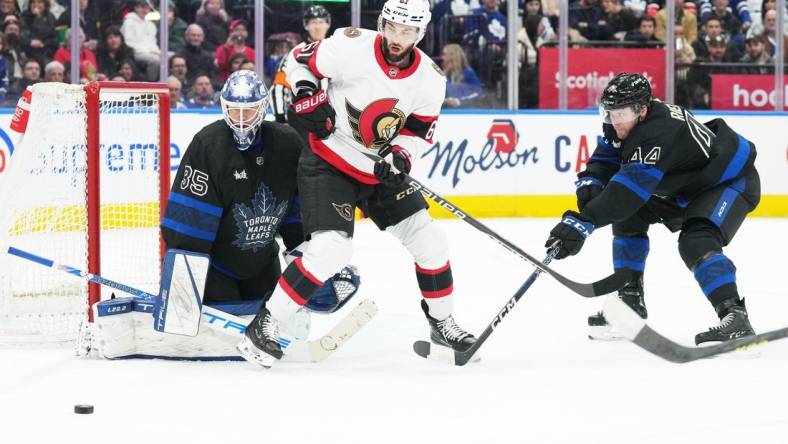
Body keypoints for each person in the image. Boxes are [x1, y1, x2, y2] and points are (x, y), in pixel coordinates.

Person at [236, 0, 477, 368]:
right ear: (382, 23)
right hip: (329, 161)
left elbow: (416, 131)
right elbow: (298, 61)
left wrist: (401, 156)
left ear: (420, 33)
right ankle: (266, 324)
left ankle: (441, 324)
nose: (397, 38)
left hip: (380, 170)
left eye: (408, 31)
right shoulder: (350, 45)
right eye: (393, 27)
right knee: (332, 249)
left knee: (430, 240)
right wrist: (306, 94)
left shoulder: (430, 78)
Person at [546, 72, 760, 345]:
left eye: (620, 114)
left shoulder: (658, 131)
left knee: (696, 240)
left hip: (728, 183)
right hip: (685, 186)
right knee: (629, 216)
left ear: (642, 110)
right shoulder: (626, 122)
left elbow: (626, 192)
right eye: (608, 113)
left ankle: (735, 316)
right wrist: (592, 180)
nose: (614, 120)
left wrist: (583, 221)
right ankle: (630, 302)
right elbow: (608, 155)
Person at [161, 70, 357, 343]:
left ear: (263, 108)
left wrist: (317, 269)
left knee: (279, 321)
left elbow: (298, 214)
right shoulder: (209, 146)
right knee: (224, 334)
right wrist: (183, 289)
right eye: (234, 110)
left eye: (249, 111)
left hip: (263, 264)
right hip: (216, 268)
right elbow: (188, 225)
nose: (241, 120)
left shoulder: (287, 144)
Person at [271, 4, 331, 123]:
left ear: (327, 24)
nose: (317, 26)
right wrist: (281, 120)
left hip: (335, 122)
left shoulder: (336, 50)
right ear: (306, 25)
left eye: (321, 22)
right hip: (304, 121)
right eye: (313, 22)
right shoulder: (296, 53)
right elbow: (278, 87)